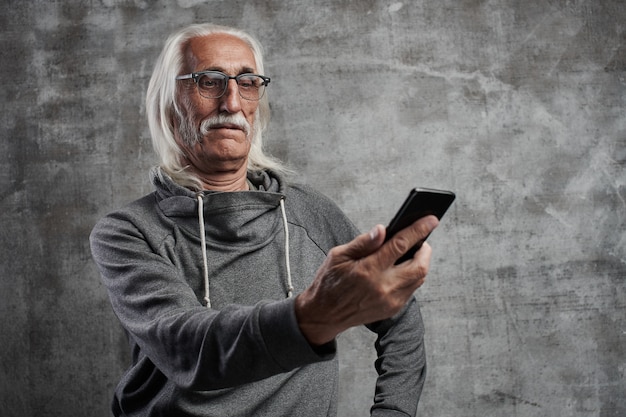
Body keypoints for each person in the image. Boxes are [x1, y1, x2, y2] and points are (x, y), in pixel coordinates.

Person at [90, 23, 439, 417]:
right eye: (210, 81)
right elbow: (188, 350)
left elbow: (401, 318)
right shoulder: (128, 232)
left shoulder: (308, 211)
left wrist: (395, 411)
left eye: (248, 81)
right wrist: (313, 315)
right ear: (169, 100)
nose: (232, 103)